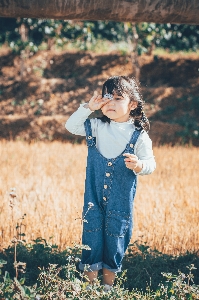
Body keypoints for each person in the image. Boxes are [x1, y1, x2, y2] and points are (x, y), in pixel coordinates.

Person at [65, 75, 156, 291]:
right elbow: (71, 125)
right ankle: (89, 288)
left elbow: (151, 164)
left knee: (115, 240)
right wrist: (88, 107)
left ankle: (108, 288)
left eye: (118, 98)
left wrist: (138, 166)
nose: (111, 103)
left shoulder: (139, 136)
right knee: (91, 238)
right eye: (107, 98)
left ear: (132, 104)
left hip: (120, 203)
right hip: (93, 199)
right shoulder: (96, 126)